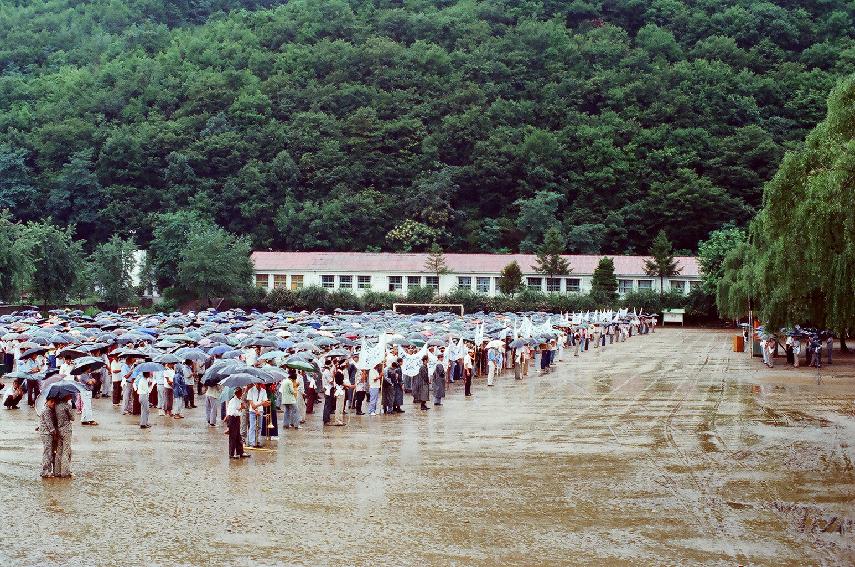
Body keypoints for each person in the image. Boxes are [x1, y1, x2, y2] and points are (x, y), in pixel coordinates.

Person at [52, 395, 75, 478]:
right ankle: (65, 472)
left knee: (59, 450)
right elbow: (73, 418)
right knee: (66, 451)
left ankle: (57, 471)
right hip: (66, 430)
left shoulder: (56, 406)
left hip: (58, 430)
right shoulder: (67, 406)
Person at [227, 387, 250, 459]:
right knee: (233, 437)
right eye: (240, 393)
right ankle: (231, 453)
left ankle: (240, 452)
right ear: (237, 393)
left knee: (238, 436)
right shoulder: (233, 401)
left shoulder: (238, 400)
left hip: (236, 419)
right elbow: (233, 412)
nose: (241, 394)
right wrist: (240, 409)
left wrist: (241, 408)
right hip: (233, 419)